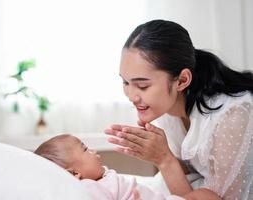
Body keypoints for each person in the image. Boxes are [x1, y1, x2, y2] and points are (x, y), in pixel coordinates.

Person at [104, 19, 253, 200]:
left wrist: (163, 159)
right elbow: (190, 172)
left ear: (182, 81)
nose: (131, 96)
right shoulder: (167, 105)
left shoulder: (233, 115)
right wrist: (154, 151)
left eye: (142, 86)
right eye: (125, 82)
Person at [35, 134, 219, 200]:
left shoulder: (100, 179)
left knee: (205, 195)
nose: (93, 151)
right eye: (86, 149)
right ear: (75, 173)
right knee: (205, 196)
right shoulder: (89, 188)